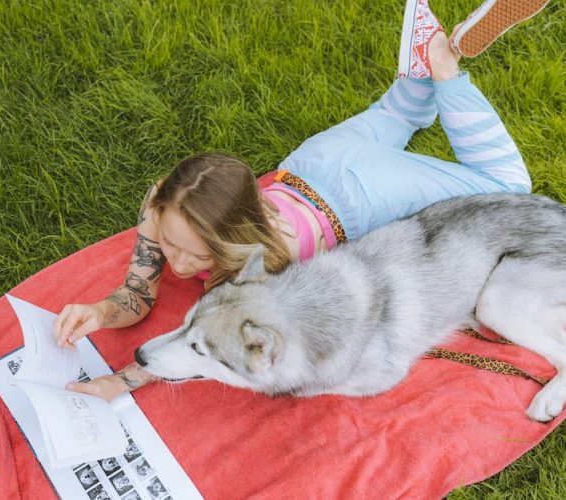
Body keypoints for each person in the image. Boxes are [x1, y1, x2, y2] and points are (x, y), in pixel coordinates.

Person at [54, 0, 550, 401]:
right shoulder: (161, 204)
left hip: (361, 192)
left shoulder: (265, 268)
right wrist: (99, 311)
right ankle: (419, 68)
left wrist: (118, 384)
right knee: (394, 116)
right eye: (167, 242)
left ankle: (443, 65)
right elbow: (137, 294)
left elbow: (207, 344)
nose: (177, 264)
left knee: (507, 188)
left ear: (236, 244)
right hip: (315, 161)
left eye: (197, 255)